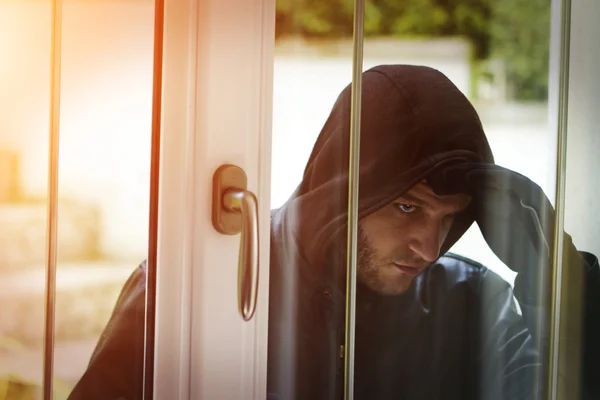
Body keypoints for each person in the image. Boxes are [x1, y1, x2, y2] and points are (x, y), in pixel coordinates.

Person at [68, 65, 598, 399]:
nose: (429, 247)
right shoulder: (201, 295)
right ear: (343, 194)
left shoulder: (472, 300)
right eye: (408, 207)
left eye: (448, 218)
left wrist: (564, 286)